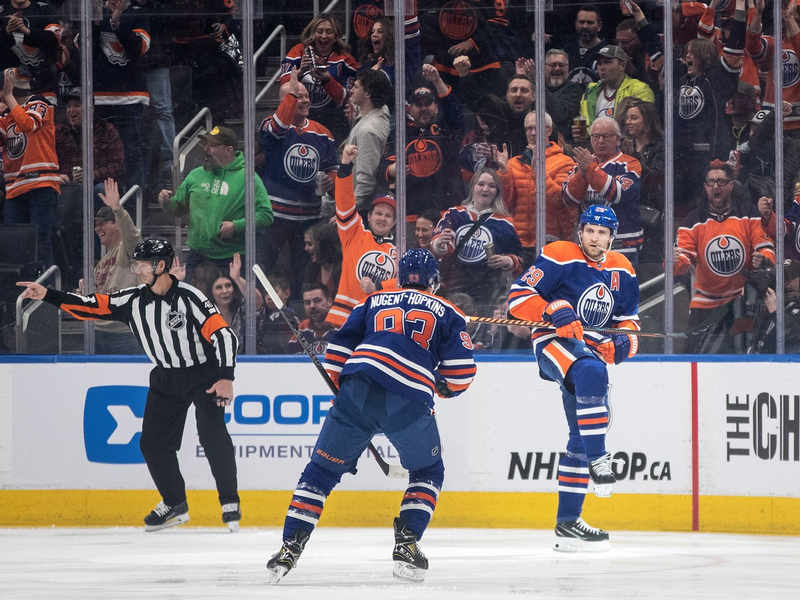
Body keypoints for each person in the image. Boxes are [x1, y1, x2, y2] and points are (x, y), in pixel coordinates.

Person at [266, 248, 476, 584]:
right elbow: (462, 373)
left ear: (399, 276)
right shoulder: (450, 311)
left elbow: (336, 355)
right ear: (434, 282)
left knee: (320, 473)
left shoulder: (374, 300)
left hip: (359, 386)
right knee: (427, 470)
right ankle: (407, 544)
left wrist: (348, 392)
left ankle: (289, 548)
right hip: (409, 397)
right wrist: (441, 387)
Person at [17, 239, 242, 532]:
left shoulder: (191, 298)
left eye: (143, 265)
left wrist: (225, 376)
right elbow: (90, 306)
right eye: (136, 264)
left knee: (211, 433)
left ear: (161, 267)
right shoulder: (133, 299)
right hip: (167, 376)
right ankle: (175, 503)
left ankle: (229, 502)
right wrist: (49, 294)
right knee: (151, 443)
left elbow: (224, 337)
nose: (137, 270)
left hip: (205, 374)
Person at [508, 205, 640, 552]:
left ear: (612, 237)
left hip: (591, 349)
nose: (594, 238)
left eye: (602, 232)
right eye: (589, 230)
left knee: (579, 438)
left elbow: (629, 321)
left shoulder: (623, 269)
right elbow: (518, 298)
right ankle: (601, 460)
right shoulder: (559, 255)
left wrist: (624, 342)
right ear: (580, 231)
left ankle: (567, 524)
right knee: (593, 372)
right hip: (553, 342)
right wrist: (552, 309)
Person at [674, 162, 775, 354]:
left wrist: (763, 258)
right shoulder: (693, 220)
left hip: (742, 298)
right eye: (711, 182)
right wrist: (676, 261)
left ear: (731, 185)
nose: (716, 187)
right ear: (705, 186)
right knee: (692, 354)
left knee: (742, 348)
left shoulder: (748, 212)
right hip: (706, 300)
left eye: (721, 181)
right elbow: (684, 258)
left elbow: (765, 246)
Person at [258, 65, 338, 297]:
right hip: (273, 217)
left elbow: (331, 170)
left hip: (308, 220)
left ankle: (302, 318)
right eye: (296, 96)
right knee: (259, 268)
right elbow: (277, 128)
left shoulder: (323, 133)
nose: (304, 100)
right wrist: (290, 93)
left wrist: (331, 184)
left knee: (305, 274)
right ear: (284, 102)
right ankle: (256, 313)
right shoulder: (269, 126)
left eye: (305, 96)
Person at [158, 126, 274, 279]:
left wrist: (236, 226)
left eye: (212, 145)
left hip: (231, 260)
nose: (206, 149)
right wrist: (166, 202)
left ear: (228, 150)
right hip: (197, 256)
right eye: (206, 144)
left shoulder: (247, 178)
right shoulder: (195, 175)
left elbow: (266, 214)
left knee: (229, 303)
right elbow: (177, 209)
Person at [383, 64, 464, 237]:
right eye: (418, 105)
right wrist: (392, 170)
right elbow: (384, 165)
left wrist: (437, 80)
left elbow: (456, 115)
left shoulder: (446, 129)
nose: (424, 108)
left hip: (446, 212)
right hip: (412, 215)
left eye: (428, 103)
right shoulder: (400, 132)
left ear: (436, 107)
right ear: (409, 109)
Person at [430, 167, 523, 309]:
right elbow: (440, 249)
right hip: (454, 285)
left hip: (487, 289)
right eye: (481, 184)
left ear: (497, 192)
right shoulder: (454, 214)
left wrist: (507, 261)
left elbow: (520, 259)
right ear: (472, 187)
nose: (486, 189)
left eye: (492, 186)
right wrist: (439, 244)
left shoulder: (505, 224)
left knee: (481, 328)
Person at [494, 111, 578, 267]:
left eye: (536, 128)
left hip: (550, 240)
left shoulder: (565, 162)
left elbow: (559, 201)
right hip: (519, 241)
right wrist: (504, 172)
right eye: (528, 129)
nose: (532, 133)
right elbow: (505, 206)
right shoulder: (514, 164)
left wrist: (538, 171)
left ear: (549, 130)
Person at [327, 144, 396, 327]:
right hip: (345, 318)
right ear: (369, 216)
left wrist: (379, 288)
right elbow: (344, 202)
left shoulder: (399, 251)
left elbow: (404, 283)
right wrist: (346, 166)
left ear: (394, 222)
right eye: (379, 213)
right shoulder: (354, 234)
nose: (382, 218)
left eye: (388, 216)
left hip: (377, 322)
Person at [0, 66, 59, 269]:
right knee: (14, 244)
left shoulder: (40, 102)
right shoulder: (7, 114)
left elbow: (28, 124)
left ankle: (45, 287)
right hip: (15, 187)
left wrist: (8, 97)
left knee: (39, 240)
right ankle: (17, 290)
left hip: (41, 182)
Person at [563, 116, 643, 266]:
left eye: (606, 136)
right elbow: (568, 199)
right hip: (589, 248)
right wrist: (581, 174)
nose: (600, 141)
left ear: (618, 140)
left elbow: (618, 194)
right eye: (596, 137)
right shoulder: (581, 166)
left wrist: (590, 169)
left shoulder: (629, 164)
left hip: (622, 246)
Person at [93, 0, 151, 192]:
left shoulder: (138, 14)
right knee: (102, 155)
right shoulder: (95, 13)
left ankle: (135, 206)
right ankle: (107, 208)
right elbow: (84, 52)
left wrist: (119, 25)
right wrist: (94, 23)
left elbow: (138, 50)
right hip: (101, 96)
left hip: (130, 96)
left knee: (131, 151)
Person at [279, 13, 359, 143]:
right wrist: (300, 72)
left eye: (329, 32)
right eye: (319, 31)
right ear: (312, 33)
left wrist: (328, 81)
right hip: (299, 120)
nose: (324, 36)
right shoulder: (298, 52)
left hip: (333, 121)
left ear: (336, 35)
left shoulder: (346, 59)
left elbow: (348, 98)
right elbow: (283, 89)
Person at [90, 178, 142, 354]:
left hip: (124, 333)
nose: (97, 228)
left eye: (102, 223)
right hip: (97, 330)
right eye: (96, 224)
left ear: (116, 225)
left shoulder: (128, 250)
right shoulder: (102, 261)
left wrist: (117, 209)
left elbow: (132, 235)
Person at [55, 87, 126, 205]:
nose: (71, 110)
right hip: (65, 190)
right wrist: (56, 176)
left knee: (101, 190)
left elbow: (119, 166)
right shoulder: (58, 131)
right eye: (69, 106)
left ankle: (98, 224)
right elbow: (45, 162)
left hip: (93, 190)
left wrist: (93, 174)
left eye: (76, 106)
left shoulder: (107, 130)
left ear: (90, 109)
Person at [345, 68, 393, 211]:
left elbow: (366, 181)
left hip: (361, 210)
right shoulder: (378, 112)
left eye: (356, 86)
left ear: (368, 93)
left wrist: (348, 211)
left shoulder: (368, 131)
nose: (351, 90)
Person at [575, 45, 654, 129]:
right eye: (599, 63)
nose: (602, 67)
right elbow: (586, 127)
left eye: (607, 62)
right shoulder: (589, 93)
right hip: (595, 141)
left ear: (622, 66)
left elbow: (645, 125)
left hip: (625, 141)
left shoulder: (639, 89)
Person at [0, 0, 61, 102]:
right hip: (7, 91)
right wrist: (7, 30)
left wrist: (26, 30)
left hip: (43, 86)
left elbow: (54, 41)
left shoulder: (44, 9)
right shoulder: (1, 12)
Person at [751, 259, 800, 353]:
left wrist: (775, 312)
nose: (785, 282)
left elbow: (794, 335)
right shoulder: (769, 301)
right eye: (781, 277)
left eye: (790, 277)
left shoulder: (774, 306)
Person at [563, 4, 609, 87]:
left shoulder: (608, 52)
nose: (585, 26)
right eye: (581, 22)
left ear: (599, 26)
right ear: (576, 25)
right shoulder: (567, 51)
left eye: (590, 23)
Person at [287, 283, 338, 355]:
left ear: (329, 302)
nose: (312, 306)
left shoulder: (342, 326)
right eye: (307, 303)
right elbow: (292, 362)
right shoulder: (302, 328)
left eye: (317, 301)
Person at [303, 221, 342, 297]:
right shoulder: (311, 269)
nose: (305, 248)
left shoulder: (344, 268)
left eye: (309, 244)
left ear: (322, 245)